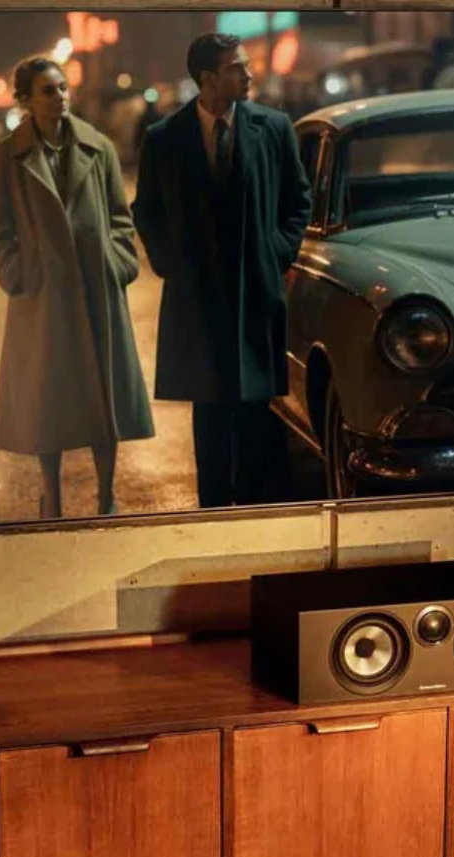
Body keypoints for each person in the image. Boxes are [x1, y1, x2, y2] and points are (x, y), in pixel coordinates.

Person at [132, 32, 310, 510]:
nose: (248, 74)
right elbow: (146, 209)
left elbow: (298, 199)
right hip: (198, 297)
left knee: (257, 413)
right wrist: (169, 262)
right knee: (209, 414)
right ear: (207, 78)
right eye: (236, 67)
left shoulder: (273, 128)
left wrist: (277, 252)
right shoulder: (165, 138)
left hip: (256, 290)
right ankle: (214, 513)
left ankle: (255, 512)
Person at [0, 57, 153, 519]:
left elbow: (120, 215)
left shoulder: (99, 149)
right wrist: (18, 274)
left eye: (61, 88)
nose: (59, 97)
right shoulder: (7, 158)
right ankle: (51, 494)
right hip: (43, 296)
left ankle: (106, 493)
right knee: (48, 398)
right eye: (47, 90)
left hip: (98, 288)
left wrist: (119, 262)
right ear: (26, 101)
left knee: (104, 394)